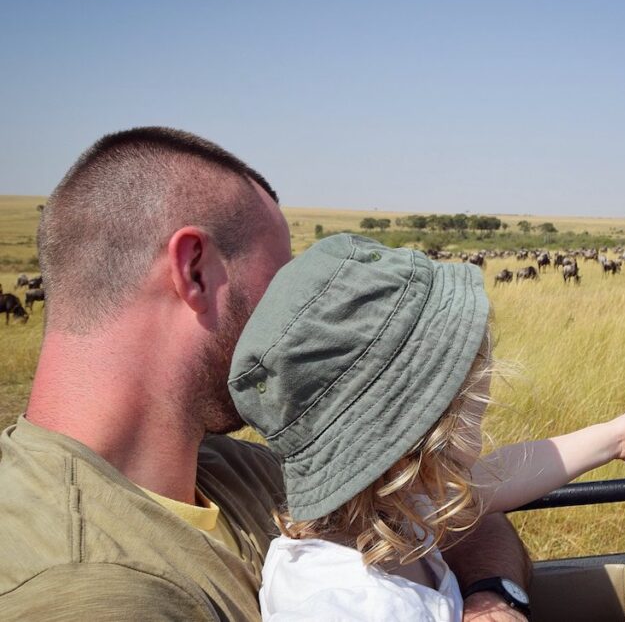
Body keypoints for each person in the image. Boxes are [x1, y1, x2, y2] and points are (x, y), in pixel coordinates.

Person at [0, 127, 530, 621]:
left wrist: (490, 595)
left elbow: (446, 508)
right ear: (195, 271)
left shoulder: (238, 469)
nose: (300, 315)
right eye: (284, 281)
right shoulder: (87, 589)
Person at [227, 233, 625, 621]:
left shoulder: (383, 513)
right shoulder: (350, 606)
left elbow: (498, 476)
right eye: (476, 413)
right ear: (423, 443)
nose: (482, 430)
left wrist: (614, 436)